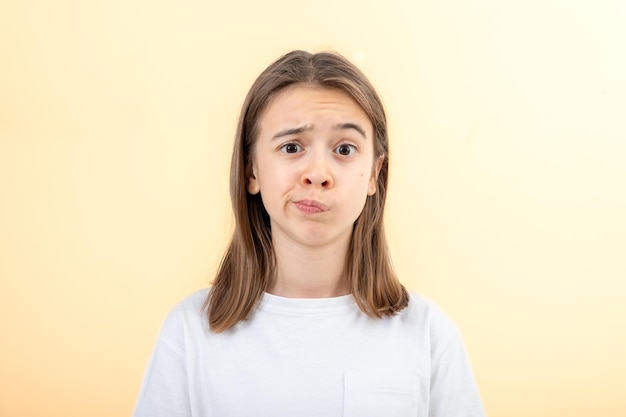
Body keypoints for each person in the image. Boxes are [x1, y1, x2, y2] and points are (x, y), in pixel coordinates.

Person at [133, 50, 486, 417]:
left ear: (374, 174)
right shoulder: (189, 333)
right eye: (291, 147)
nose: (317, 173)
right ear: (251, 170)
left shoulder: (429, 336)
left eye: (345, 149)